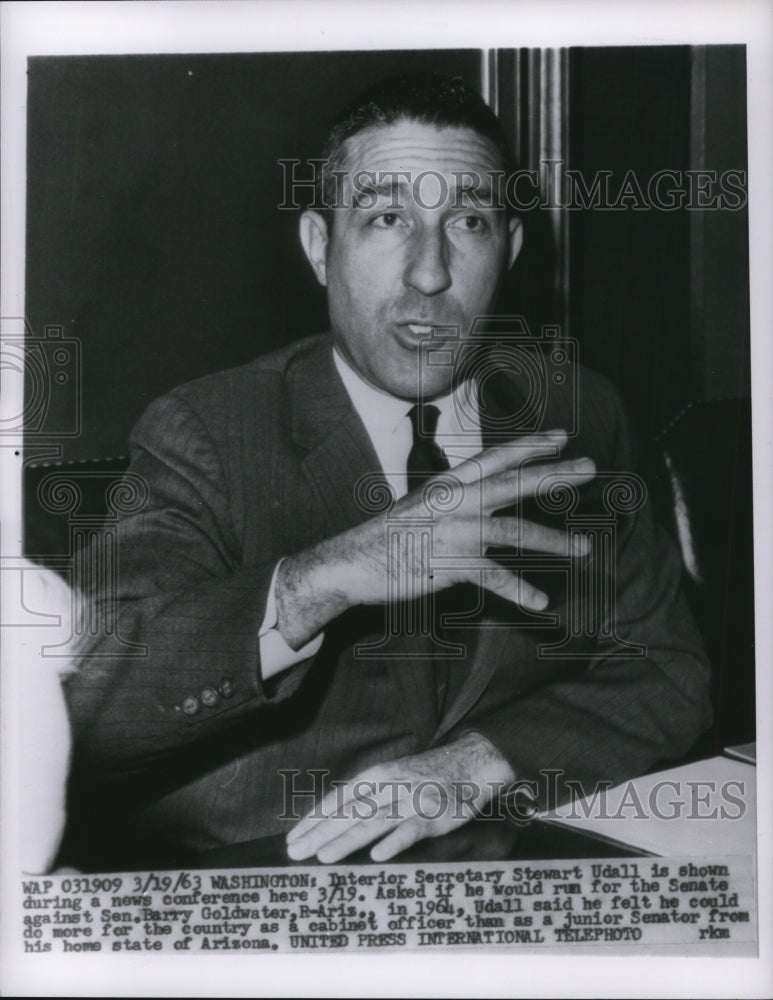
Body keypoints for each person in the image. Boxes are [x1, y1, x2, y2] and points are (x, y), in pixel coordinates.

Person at [63, 72, 712, 869]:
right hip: (264, 891)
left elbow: (667, 672)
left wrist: (479, 761)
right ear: (318, 245)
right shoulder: (207, 430)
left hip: (504, 869)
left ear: (507, 250)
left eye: (467, 221)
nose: (429, 273)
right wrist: (318, 580)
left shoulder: (577, 413)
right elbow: (81, 710)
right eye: (385, 218)